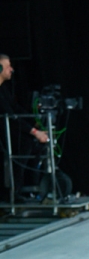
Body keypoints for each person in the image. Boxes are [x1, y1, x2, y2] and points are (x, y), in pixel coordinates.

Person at [0, 54, 48, 199]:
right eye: (8, 66)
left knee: (35, 146)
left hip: (11, 131)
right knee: (24, 144)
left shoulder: (3, 89)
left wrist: (35, 122)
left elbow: (16, 108)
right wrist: (34, 132)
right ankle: (14, 191)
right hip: (4, 135)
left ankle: (32, 188)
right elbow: (11, 116)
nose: (11, 69)